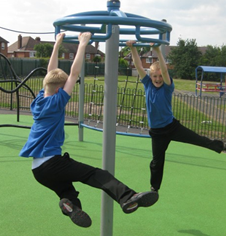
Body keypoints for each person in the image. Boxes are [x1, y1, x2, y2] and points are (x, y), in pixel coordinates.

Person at [19, 32, 159, 228]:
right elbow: (74, 73)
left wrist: (58, 43)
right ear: (60, 90)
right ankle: (128, 197)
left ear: (46, 85)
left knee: (67, 191)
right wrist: (82, 44)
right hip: (51, 162)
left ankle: (71, 206)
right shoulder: (57, 101)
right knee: (96, 174)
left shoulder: (39, 100)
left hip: (38, 170)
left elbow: (51, 71)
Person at [126, 40, 226, 194]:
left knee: (198, 139)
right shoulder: (147, 84)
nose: (158, 79)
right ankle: (154, 188)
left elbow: (165, 71)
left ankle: (221, 147)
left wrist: (158, 51)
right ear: (150, 76)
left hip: (172, 127)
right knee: (156, 162)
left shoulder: (167, 88)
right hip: (157, 132)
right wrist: (132, 48)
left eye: (159, 76)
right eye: (155, 76)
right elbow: (138, 66)